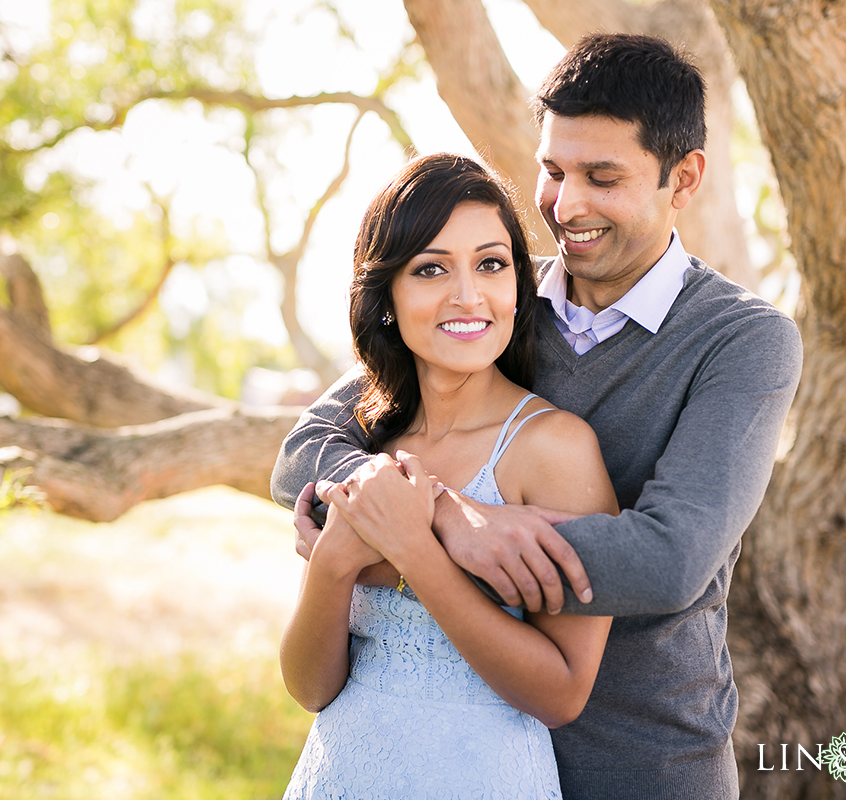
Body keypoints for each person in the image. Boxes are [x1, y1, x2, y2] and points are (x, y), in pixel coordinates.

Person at [273, 34, 802, 799]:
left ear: (683, 178)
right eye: (553, 171)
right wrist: (443, 516)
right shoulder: (495, 301)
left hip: (642, 758)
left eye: (603, 176)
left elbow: (670, 561)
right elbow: (309, 447)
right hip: (464, 745)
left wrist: (400, 537)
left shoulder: (743, 341)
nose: (567, 203)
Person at [279, 153, 618, 798]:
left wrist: (411, 549)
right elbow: (310, 688)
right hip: (339, 775)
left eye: (491, 264)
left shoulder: (555, 449)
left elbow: (563, 692)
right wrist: (332, 565)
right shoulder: (370, 444)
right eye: (431, 269)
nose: (468, 296)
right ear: (387, 298)